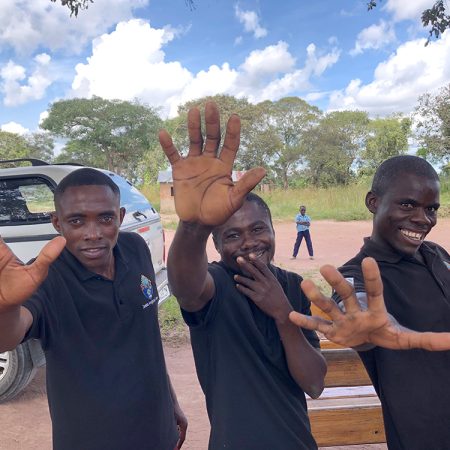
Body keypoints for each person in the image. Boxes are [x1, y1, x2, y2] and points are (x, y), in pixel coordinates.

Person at [159, 101, 327, 450]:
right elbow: (185, 285)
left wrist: (284, 316)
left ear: (273, 230)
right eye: (232, 236)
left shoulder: (294, 288)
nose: (249, 243)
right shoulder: (215, 285)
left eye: (258, 229)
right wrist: (193, 225)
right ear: (217, 244)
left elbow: (314, 383)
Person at [0, 168, 187, 450]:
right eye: (76, 221)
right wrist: (6, 307)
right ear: (57, 223)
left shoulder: (135, 248)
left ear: (120, 217)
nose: (93, 233)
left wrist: (171, 401)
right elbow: (9, 336)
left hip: (157, 431)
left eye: (105, 218)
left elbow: (145, 337)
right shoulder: (45, 277)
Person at [290, 155, 450, 450]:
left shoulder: (437, 255)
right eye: (407, 205)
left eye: (431, 209)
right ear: (373, 202)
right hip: (426, 437)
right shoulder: (358, 273)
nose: (423, 219)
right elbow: (358, 305)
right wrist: (364, 328)